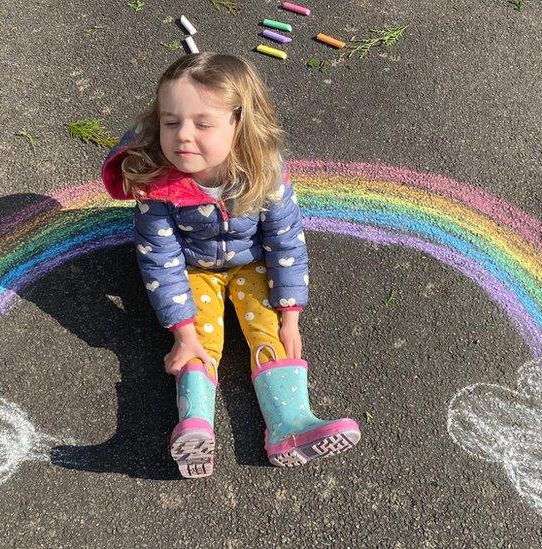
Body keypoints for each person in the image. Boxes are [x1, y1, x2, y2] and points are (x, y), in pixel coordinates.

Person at [100, 52, 360, 479]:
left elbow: (285, 240)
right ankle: (194, 424)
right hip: (192, 269)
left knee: (269, 328)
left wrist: (290, 315)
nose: (183, 136)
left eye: (202, 124)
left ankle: (289, 424)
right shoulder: (159, 185)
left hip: (250, 264)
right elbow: (161, 263)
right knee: (199, 339)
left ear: (240, 123)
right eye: (171, 122)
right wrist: (180, 333)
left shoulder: (263, 171)